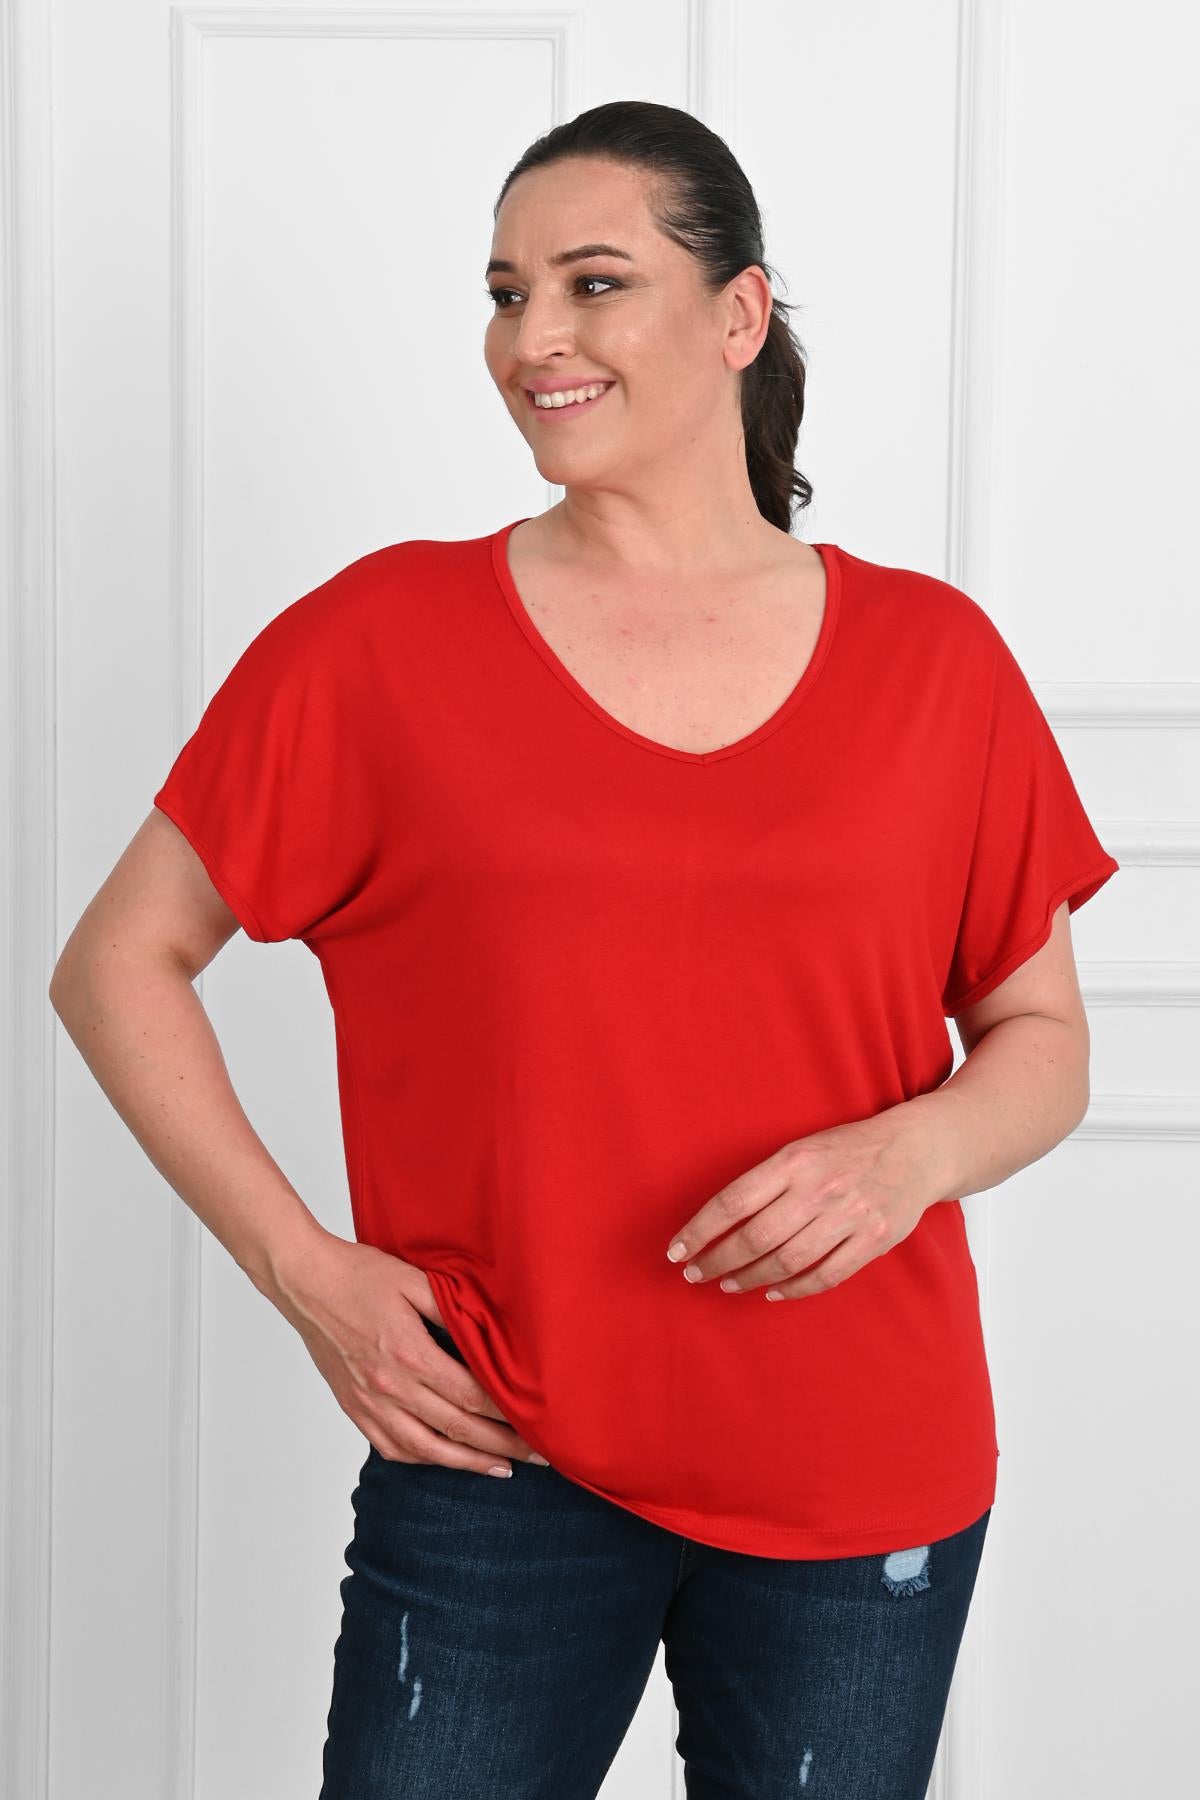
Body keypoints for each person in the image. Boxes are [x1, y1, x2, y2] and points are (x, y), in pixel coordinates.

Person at [49, 99, 1119, 1799]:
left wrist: (908, 1154)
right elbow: (117, 961)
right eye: (505, 292)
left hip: (862, 1473)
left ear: (739, 314)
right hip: (497, 1462)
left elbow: (1041, 1039)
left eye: (593, 282)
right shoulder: (377, 643)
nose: (531, 337)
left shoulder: (936, 660)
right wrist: (306, 1273)